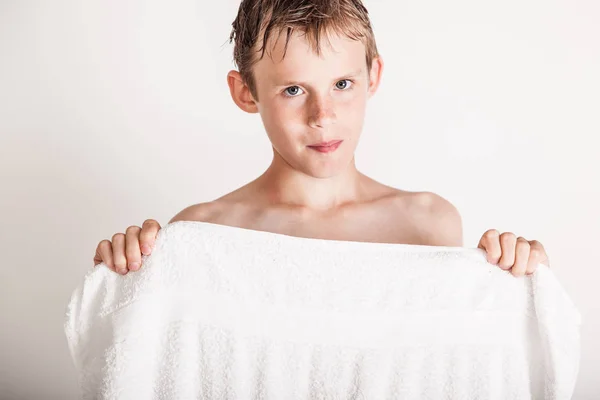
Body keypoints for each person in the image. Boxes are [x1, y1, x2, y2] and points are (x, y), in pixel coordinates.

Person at [93, 0, 549, 277]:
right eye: (293, 90)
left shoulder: (428, 223)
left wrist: (520, 278)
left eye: (342, 84)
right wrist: (125, 273)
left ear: (373, 76)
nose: (322, 116)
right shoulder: (203, 232)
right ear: (246, 93)